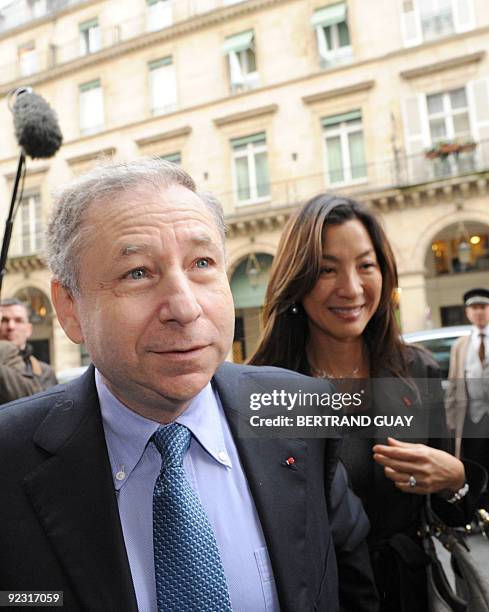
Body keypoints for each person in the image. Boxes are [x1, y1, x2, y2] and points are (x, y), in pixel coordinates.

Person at [0, 159, 378, 612]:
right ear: (69, 308)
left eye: (202, 263)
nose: (184, 306)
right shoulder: (10, 459)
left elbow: (353, 586)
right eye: (138, 272)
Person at [250, 194, 485, 612]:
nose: (352, 288)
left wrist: (455, 478)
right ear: (298, 277)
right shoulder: (265, 383)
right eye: (327, 269)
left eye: (365, 265)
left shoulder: (416, 369)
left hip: (407, 590)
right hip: (314, 596)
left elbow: (452, 511)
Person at [446, 287, 489, 508]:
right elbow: (453, 385)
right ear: (468, 313)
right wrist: (451, 422)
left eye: (483, 307)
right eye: (474, 308)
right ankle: (479, 510)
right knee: (475, 465)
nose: (479, 312)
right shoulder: (460, 345)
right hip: (471, 419)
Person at [0, 298, 58, 390]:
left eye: (18, 320)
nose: (11, 326)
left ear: (29, 329)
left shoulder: (45, 372)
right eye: (4, 320)